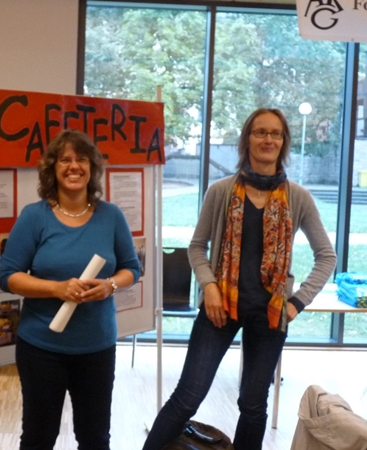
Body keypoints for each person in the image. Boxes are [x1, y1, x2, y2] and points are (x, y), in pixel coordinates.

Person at [142, 108, 336, 450]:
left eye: (276, 134)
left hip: (270, 315)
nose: (268, 139)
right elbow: (197, 247)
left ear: (283, 142)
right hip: (220, 308)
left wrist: (296, 303)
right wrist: (209, 286)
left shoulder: (298, 197)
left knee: (253, 404)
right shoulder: (221, 191)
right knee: (187, 396)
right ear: (247, 139)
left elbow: (327, 256)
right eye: (260, 132)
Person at [0, 129, 141, 450]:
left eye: (81, 159)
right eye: (64, 160)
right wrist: (57, 289)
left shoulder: (111, 216)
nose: (73, 166)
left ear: (92, 167)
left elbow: (132, 269)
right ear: (53, 168)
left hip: (96, 348)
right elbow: (8, 277)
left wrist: (109, 285)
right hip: (41, 348)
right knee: (38, 438)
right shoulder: (35, 217)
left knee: (95, 439)